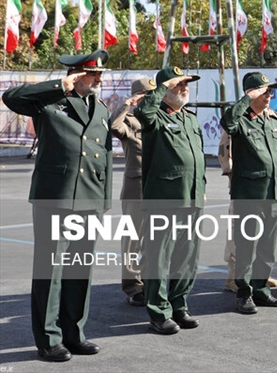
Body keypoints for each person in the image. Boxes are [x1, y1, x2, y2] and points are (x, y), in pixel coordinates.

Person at [2, 50, 112, 362]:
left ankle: (74, 333)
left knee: (80, 269)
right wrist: (59, 85)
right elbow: (11, 97)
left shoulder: (101, 109)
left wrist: (104, 199)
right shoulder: (49, 102)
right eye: (93, 74)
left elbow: (103, 155)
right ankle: (49, 340)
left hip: (89, 198)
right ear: (77, 74)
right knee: (50, 270)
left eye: (100, 74)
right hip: (55, 195)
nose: (99, 79)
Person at [137, 66, 206, 335]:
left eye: (186, 85)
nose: (184, 89)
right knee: (158, 258)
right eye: (178, 85)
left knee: (187, 256)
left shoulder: (189, 118)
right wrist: (163, 88)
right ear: (164, 89)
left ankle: (179, 305)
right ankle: (158, 311)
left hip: (192, 196)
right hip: (164, 199)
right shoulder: (154, 115)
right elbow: (143, 112)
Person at [222, 72, 277, 314]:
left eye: (271, 91)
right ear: (252, 93)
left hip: (272, 193)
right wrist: (244, 100)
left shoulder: (271, 119)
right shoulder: (241, 118)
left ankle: (261, 289)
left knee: (266, 246)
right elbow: (227, 123)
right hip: (249, 193)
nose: (269, 95)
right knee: (247, 245)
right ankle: (244, 292)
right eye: (264, 91)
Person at [109, 76, 157, 307]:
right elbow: (113, 126)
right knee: (133, 240)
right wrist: (128, 104)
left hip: (157, 188)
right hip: (135, 187)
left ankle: (150, 282)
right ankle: (132, 286)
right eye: (146, 95)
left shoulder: (157, 117)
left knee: (153, 239)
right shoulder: (128, 120)